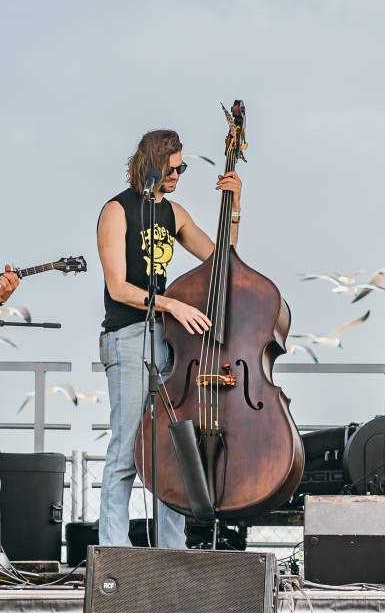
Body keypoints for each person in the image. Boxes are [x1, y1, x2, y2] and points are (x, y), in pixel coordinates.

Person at [97, 129, 242, 547]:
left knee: (172, 448)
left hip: (167, 341)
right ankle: (113, 548)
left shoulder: (173, 213)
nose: (179, 174)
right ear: (155, 165)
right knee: (126, 448)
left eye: (183, 167)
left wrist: (235, 206)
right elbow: (118, 288)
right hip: (127, 336)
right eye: (174, 167)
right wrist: (173, 305)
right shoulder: (117, 210)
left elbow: (223, 260)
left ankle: (172, 550)